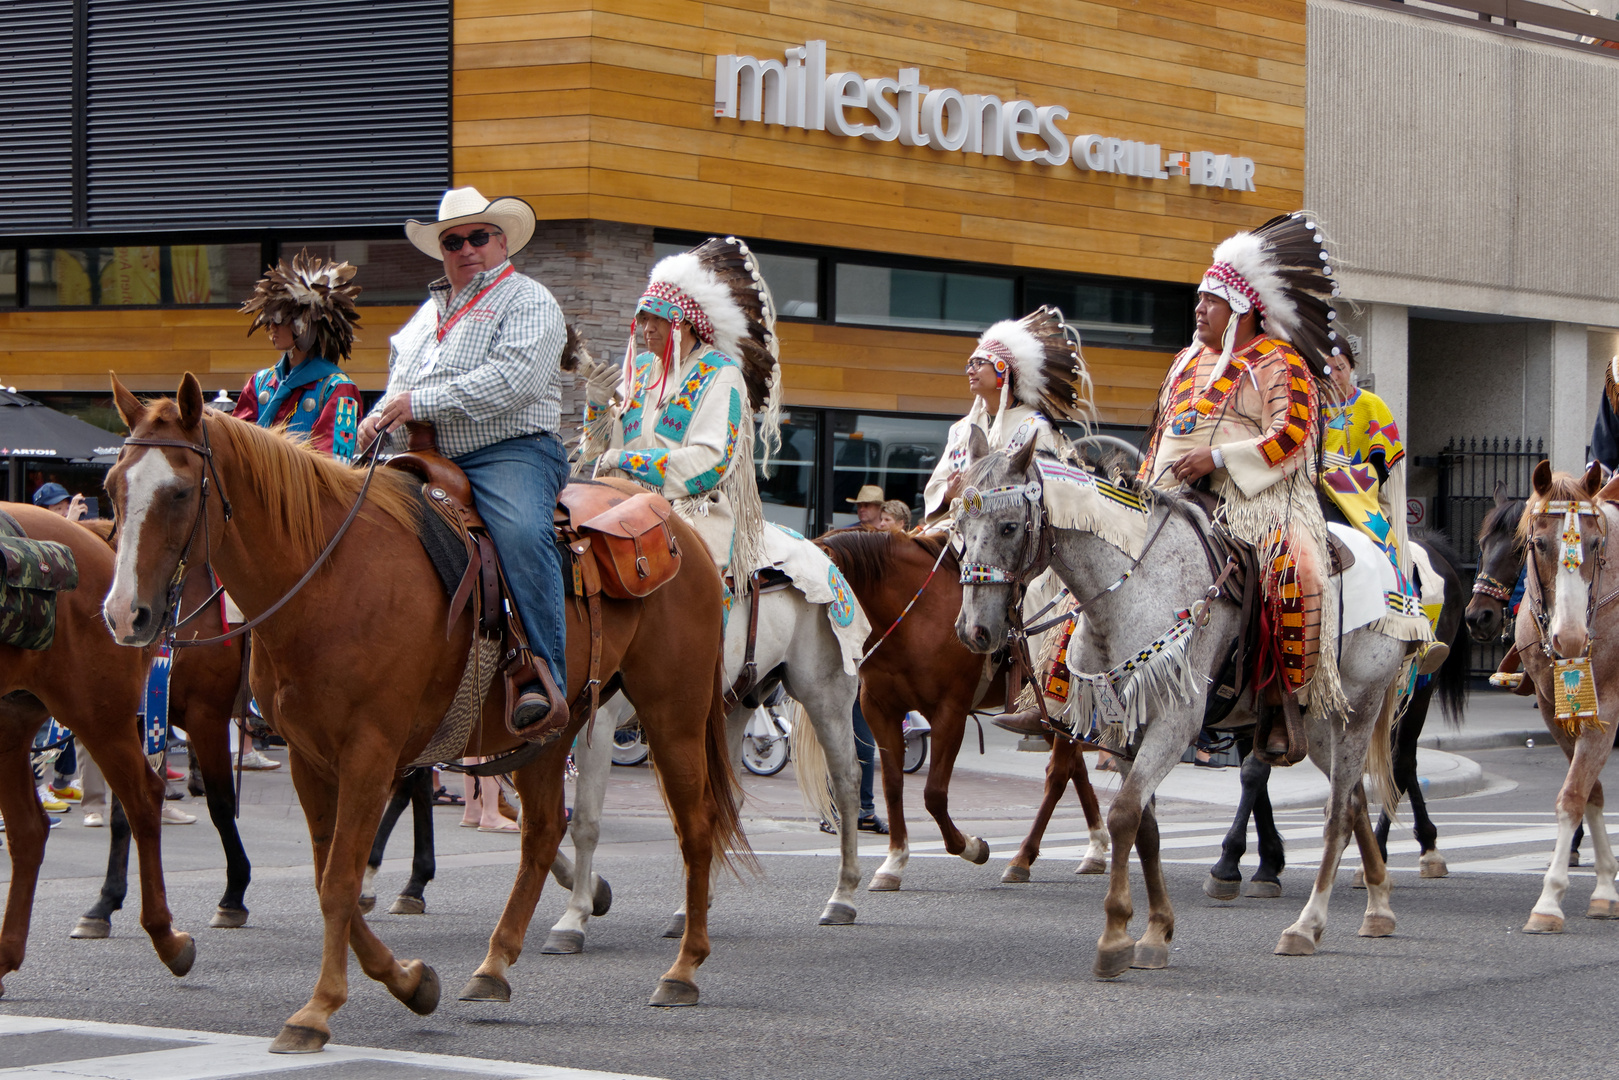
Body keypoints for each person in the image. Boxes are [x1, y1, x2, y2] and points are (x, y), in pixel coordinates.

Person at [357, 186, 570, 738]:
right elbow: (400, 388)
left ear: (501, 242)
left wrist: (415, 404)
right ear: (442, 250)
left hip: (512, 451)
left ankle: (541, 678)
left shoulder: (529, 299)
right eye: (454, 240)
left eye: (479, 237)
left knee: (523, 533)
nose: (466, 248)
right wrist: (377, 415)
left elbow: (514, 380)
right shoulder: (426, 317)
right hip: (427, 456)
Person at [1137, 213, 1346, 763]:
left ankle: (1280, 701)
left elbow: (1294, 437)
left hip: (1259, 500)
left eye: (1211, 300)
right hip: (1170, 493)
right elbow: (1161, 433)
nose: (1199, 309)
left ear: (1244, 308)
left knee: (1290, 565)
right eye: (1200, 299)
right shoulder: (1184, 361)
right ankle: (1067, 690)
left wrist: (1220, 457)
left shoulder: (1283, 363)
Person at [581, 236, 780, 599]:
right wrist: (595, 407)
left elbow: (711, 460)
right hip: (622, 503)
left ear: (687, 323)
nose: (648, 329)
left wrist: (627, 462)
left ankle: (711, 653)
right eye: (644, 319)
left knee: (692, 593)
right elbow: (599, 454)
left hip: (691, 508)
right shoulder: (639, 369)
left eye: (659, 319)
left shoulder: (721, 373)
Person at [1320, 343, 1441, 665]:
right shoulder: (1304, 406)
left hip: (1357, 499)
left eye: (1340, 367)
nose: (1333, 375)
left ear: (1352, 368)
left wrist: (1340, 473)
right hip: (1306, 493)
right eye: (1325, 368)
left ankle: (1415, 629)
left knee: (1388, 549)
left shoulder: (1371, 406)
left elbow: (1383, 468)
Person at [922, 307, 1086, 525]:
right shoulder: (961, 430)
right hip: (956, 527)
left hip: (1009, 534)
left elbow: (1043, 492)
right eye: (969, 365)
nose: (970, 371)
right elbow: (936, 487)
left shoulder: (1033, 427)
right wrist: (949, 493)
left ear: (1003, 370)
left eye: (979, 363)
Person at [234, 251, 365, 463]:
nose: (271, 328)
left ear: (304, 325)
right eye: (269, 320)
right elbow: (235, 452)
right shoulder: (259, 384)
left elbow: (333, 468)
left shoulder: (338, 389)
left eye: (278, 319)